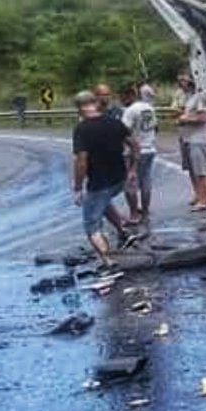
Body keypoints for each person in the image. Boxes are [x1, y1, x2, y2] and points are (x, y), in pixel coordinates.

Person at [72, 90, 139, 273]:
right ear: (96, 103)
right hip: (118, 178)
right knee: (104, 202)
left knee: (91, 224)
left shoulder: (82, 129)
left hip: (99, 181)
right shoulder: (114, 122)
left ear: (78, 108)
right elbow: (134, 145)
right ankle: (123, 232)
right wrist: (132, 169)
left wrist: (78, 187)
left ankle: (107, 260)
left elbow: (82, 160)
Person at [122, 83, 159, 225]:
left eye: (123, 96)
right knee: (146, 181)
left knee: (130, 182)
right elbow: (155, 127)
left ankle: (133, 214)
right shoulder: (149, 108)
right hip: (149, 148)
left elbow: (124, 131)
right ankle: (145, 211)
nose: (122, 100)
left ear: (130, 95)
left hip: (134, 150)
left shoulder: (130, 110)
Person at [176, 72, 206, 211]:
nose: (180, 83)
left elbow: (203, 118)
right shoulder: (187, 97)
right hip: (187, 137)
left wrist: (184, 119)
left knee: (201, 170)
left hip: (199, 138)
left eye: (183, 80)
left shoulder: (200, 96)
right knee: (192, 169)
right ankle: (199, 194)